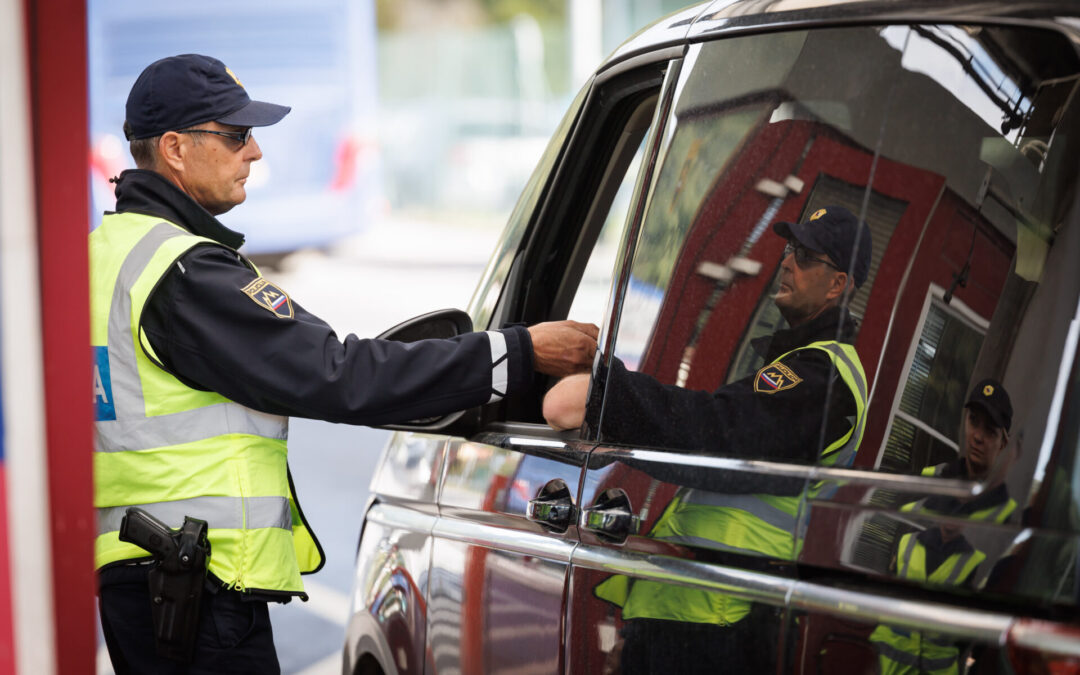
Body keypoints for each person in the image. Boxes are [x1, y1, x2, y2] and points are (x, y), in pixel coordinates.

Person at [91, 54, 598, 674]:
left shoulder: (103, 256)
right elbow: (338, 373)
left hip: (137, 583)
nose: (254, 153)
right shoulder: (184, 272)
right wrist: (519, 353)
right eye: (235, 135)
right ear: (174, 148)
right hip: (196, 588)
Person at [545, 205, 872, 673]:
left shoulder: (825, 379)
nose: (786, 261)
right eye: (788, 249)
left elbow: (717, 434)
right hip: (687, 611)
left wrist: (605, 397)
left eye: (804, 254)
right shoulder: (806, 365)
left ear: (838, 284)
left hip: (716, 621)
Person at [870, 379, 1016, 675]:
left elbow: (991, 625)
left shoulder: (1006, 522)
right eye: (974, 422)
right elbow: (883, 556)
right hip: (881, 666)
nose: (978, 437)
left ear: (1003, 442)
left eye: (990, 430)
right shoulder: (928, 481)